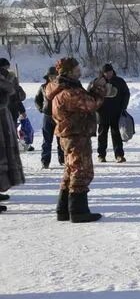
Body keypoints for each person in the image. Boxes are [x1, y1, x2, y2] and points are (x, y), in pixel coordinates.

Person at [48, 57, 106, 222]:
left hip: (70, 134)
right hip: (76, 134)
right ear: (68, 72)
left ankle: (64, 210)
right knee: (81, 171)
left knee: (70, 170)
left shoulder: (62, 88)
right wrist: (99, 88)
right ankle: (78, 211)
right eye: (76, 69)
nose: (79, 71)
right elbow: (91, 104)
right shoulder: (69, 91)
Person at [0, 65, 27, 205]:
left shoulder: (7, 77)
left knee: (3, 157)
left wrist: (10, 79)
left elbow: (18, 95)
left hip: (5, 118)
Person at [95, 63, 130, 164]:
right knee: (102, 134)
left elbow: (126, 94)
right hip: (102, 113)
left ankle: (119, 155)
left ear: (112, 71)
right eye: (106, 72)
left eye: (110, 71)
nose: (108, 74)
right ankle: (101, 155)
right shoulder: (97, 82)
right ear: (103, 73)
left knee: (116, 134)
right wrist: (96, 107)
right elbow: (91, 94)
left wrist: (123, 107)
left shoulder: (119, 81)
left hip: (116, 112)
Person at [34, 67, 65, 169]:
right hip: (47, 117)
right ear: (48, 77)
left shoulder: (61, 87)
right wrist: (41, 109)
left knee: (60, 139)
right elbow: (37, 100)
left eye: (54, 76)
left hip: (59, 116)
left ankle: (63, 160)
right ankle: (45, 161)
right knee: (47, 140)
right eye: (51, 76)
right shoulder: (43, 87)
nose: (52, 78)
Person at [0, 59, 26, 126]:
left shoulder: (12, 78)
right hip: (9, 111)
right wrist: (22, 110)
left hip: (11, 111)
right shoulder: (12, 78)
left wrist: (22, 110)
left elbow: (17, 97)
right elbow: (17, 97)